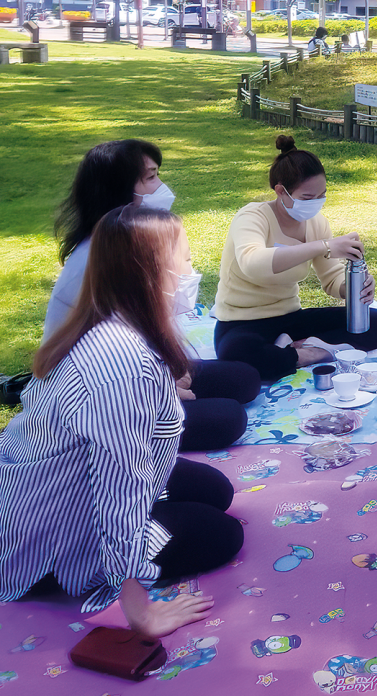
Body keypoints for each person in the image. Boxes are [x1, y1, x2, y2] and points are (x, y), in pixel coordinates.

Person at [0, 206, 244, 637]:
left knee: (216, 490)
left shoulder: (112, 321)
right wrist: (139, 611)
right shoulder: (119, 365)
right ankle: (89, 571)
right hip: (49, 532)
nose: (193, 269)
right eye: (185, 259)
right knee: (221, 534)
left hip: (53, 484)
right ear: (150, 273)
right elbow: (119, 490)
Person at [45, 139, 261, 452]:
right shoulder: (98, 262)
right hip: (107, 399)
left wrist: (173, 370)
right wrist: (165, 390)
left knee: (243, 378)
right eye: (150, 178)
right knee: (227, 418)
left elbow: (150, 325)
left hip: (144, 371)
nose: (161, 186)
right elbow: (108, 366)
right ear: (116, 188)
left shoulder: (133, 240)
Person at [213, 135, 377, 382]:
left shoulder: (316, 223)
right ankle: (307, 355)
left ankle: (295, 350)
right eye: (308, 198)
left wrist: (355, 288)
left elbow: (331, 280)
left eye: (322, 195)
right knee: (239, 357)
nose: (316, 204)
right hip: (242, 322)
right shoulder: (252, 216)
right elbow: (253, 262)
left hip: (291, 319)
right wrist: (322, 246)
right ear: (281, 191)